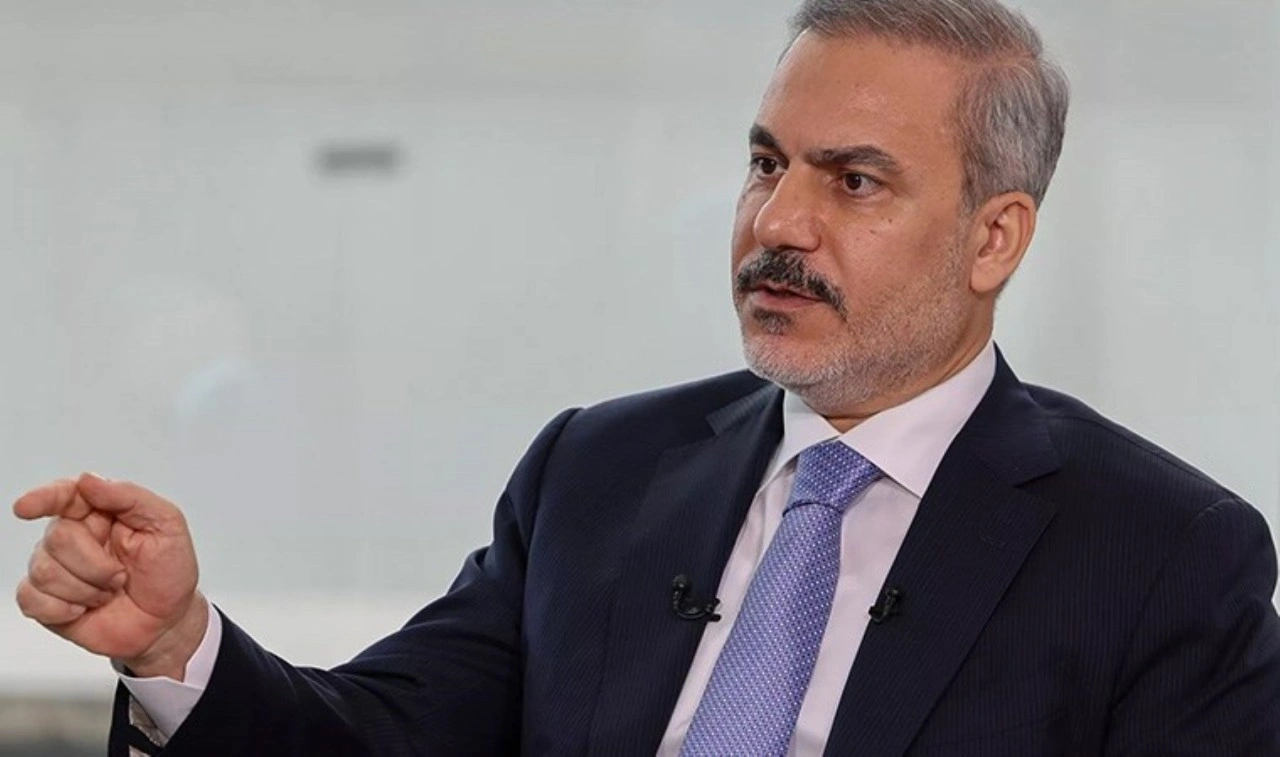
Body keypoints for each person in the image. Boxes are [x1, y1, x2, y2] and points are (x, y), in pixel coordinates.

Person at [14, 0, 1280, 754]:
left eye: (852, 181)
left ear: (992, 238)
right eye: (764, 163)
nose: (775, 223)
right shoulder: (600, 472)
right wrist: (177, 645)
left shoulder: (1161, 552)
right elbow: (383, 738)